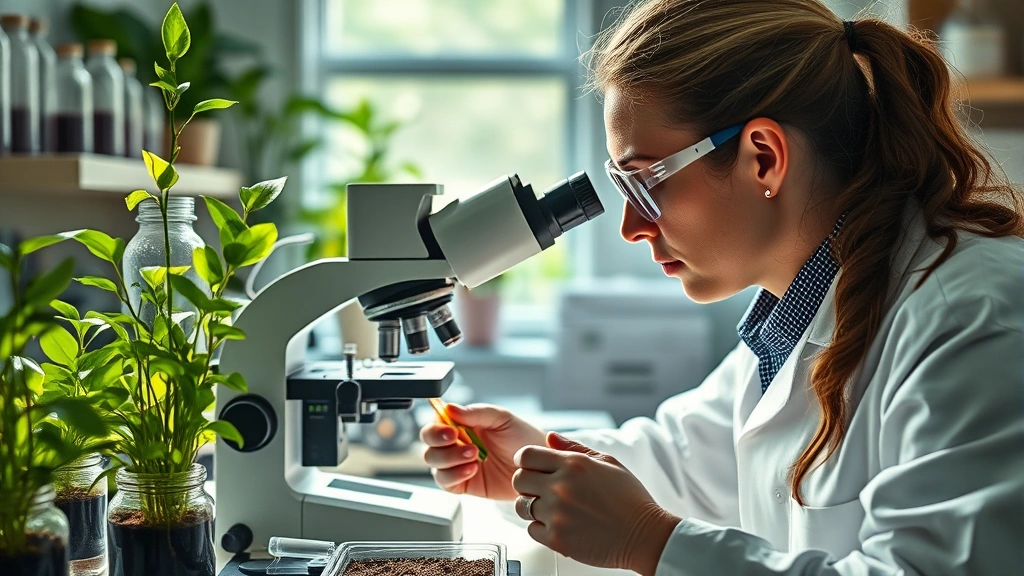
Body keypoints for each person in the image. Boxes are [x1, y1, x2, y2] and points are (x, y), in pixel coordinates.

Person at [421, 0, 1024, 574]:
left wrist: (646, 540)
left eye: (644, 183)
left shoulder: (974, 320)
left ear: (763, 158)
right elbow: (688, 461)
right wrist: (532, 464)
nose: (631, 227)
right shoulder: (799, 311)